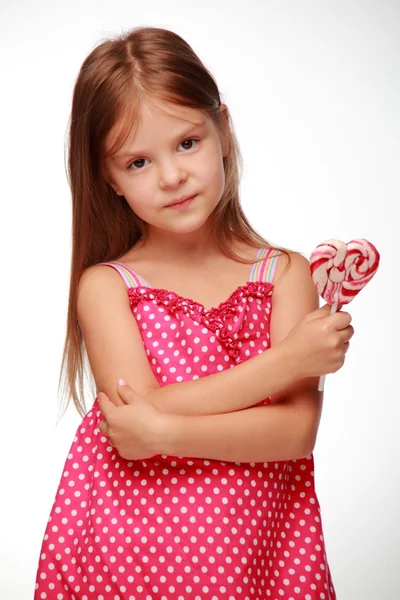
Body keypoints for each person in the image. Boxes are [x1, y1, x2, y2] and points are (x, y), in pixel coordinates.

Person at [34, 26, 353, 600]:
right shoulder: (108, 288)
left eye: (187, 143)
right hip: (132, 556)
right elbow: (136, 418)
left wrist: (165, 431)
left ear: (223, 130)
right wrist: (288, 362)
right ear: (107, 177)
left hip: (262, 553)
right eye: (136, 162)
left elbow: (294, 432)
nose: (171, 176)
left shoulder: (285, 276)